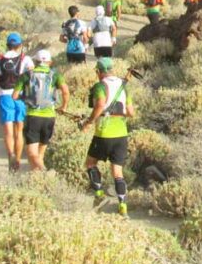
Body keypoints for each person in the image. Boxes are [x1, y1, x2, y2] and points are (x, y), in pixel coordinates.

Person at [82, 58, 135, 217]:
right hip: (121, 134)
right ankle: (123, 206)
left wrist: (89, 121)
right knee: (117, 172)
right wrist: (117, 113)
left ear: (99, 71)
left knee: (90, 163)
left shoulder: (100, 86)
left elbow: (99, 105)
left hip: (104, 133)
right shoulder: (123, 86)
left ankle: (99, 195)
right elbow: (131, 113)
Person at [13, 49, 69, 172]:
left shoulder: (27, 75)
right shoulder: (55, 75)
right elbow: (65, 91)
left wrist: (25, 97)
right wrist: (64, 107)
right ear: (50, 62)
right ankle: (37, 179)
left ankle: (44, 170)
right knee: (40, 154)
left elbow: (14, 96)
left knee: (32, 154)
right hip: (49, 117)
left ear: (36, 61)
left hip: (33, 116)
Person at [0, 33, 34, 172]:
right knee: (19, 131)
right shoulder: (25, 59)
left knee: (8, 131)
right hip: (20, 97)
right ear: (20, 45)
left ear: (7, 45)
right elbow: (32, 76)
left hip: (4, 96)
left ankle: (11, 156)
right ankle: (17, 162)